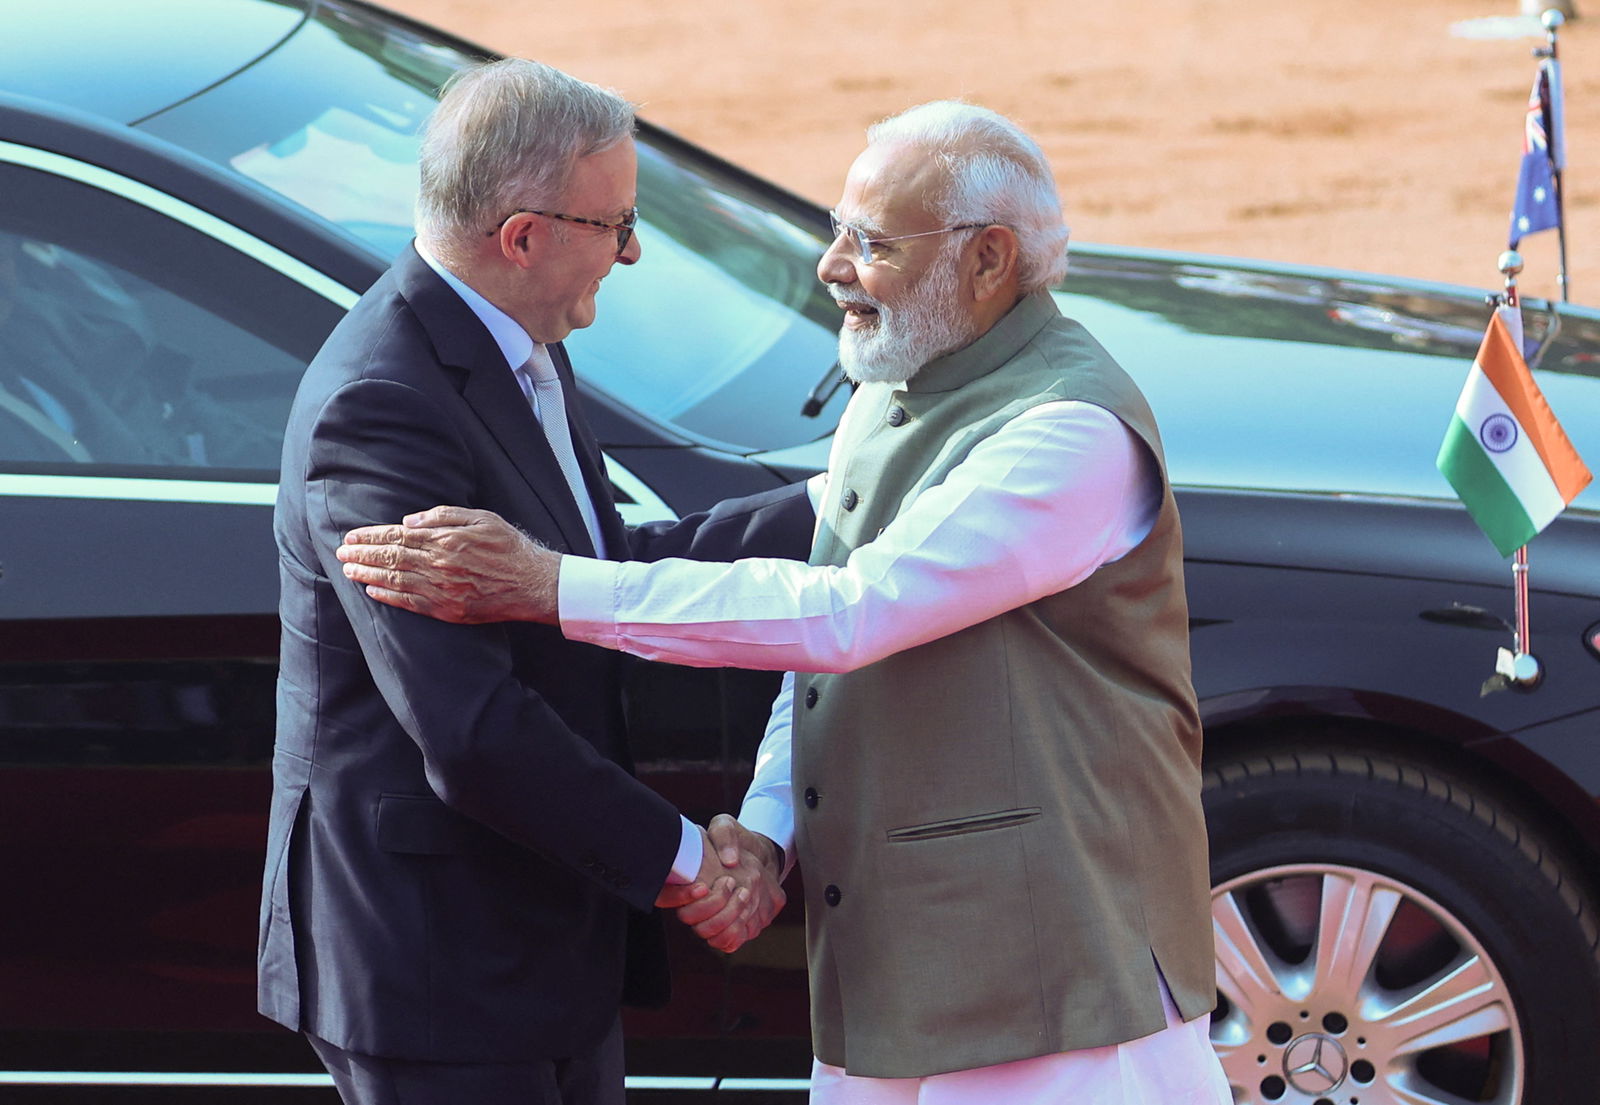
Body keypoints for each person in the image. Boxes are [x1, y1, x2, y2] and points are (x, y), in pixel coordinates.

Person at [336, 100, 1229, 1104]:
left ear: (986, 262)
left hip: (1061, 988)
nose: (833, 267)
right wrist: (763, 830)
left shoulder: (1069, 435)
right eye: (836, 230)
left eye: (872, 242)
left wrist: (549, 586)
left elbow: (849, 612)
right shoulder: (897, 384)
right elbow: (823, 672)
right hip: (897, 969)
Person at [261, 57, 802, 1105]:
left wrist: (845, 499)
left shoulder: (515, 342)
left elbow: (587, 575)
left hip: (544, 947)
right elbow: (468, 726)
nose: (633, 250)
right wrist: (692, 862)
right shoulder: (381, 408)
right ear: (523, 236)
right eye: (616, 224)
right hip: (437, 969)